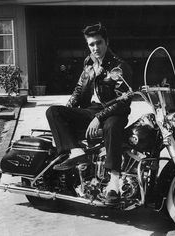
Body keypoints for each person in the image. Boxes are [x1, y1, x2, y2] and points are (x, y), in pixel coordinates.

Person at [46, 23, 132, 203]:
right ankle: (77, 152)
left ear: (106, 42)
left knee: (112, 125)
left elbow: (123, 101)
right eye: (91, 44)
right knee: (53, 112)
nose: (95, 48)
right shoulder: (89, 62)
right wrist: (67, 112)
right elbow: (79, 89)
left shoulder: (119, 66)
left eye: (98, 43)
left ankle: (114, 182)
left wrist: (98, 118)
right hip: (91, 110)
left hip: (114, 111)